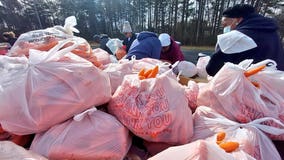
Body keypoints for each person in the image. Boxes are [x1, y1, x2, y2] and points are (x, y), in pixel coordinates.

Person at [206, 4, 284, 76]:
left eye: (225, 24)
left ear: (237, 20)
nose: (224, 28)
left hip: (247, 88)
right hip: (277, 86)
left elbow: (212, 69)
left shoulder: (236, 36)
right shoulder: (273, 34)